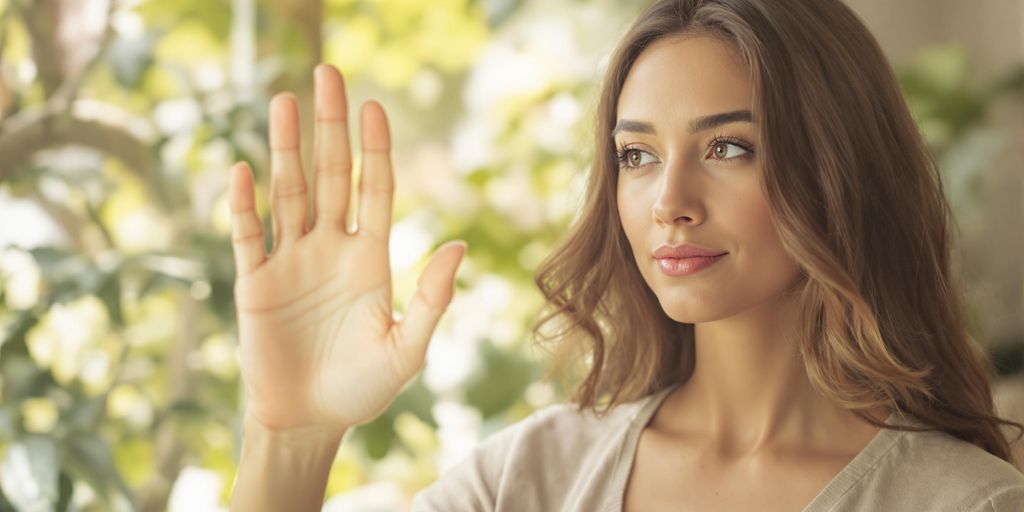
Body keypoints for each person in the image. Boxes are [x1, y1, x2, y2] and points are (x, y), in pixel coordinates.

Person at [227, 0, 1024, 510]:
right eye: (637, 156)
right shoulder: (532, 478)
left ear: (839, 169)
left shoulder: (960, 502)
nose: (669, 199)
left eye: (729, 147)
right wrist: (291, 436)